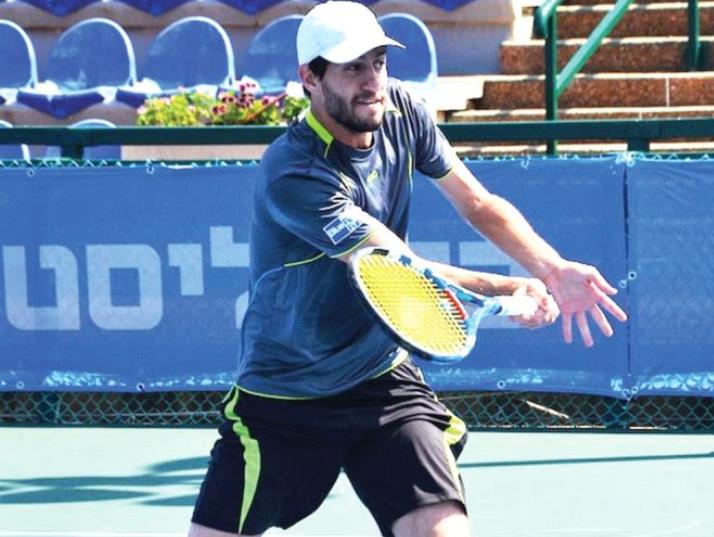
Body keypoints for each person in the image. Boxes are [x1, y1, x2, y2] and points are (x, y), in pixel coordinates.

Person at [189, 2, 628, 536]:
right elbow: (399, 270)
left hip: (381, 380)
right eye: (352, 68)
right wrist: (507, 287)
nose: (372, 81)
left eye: (378, 62)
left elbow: (478, 203)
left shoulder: (402, 109)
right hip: (285, 394)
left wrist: (552, 268)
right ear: (310, 77)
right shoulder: (295, 173)